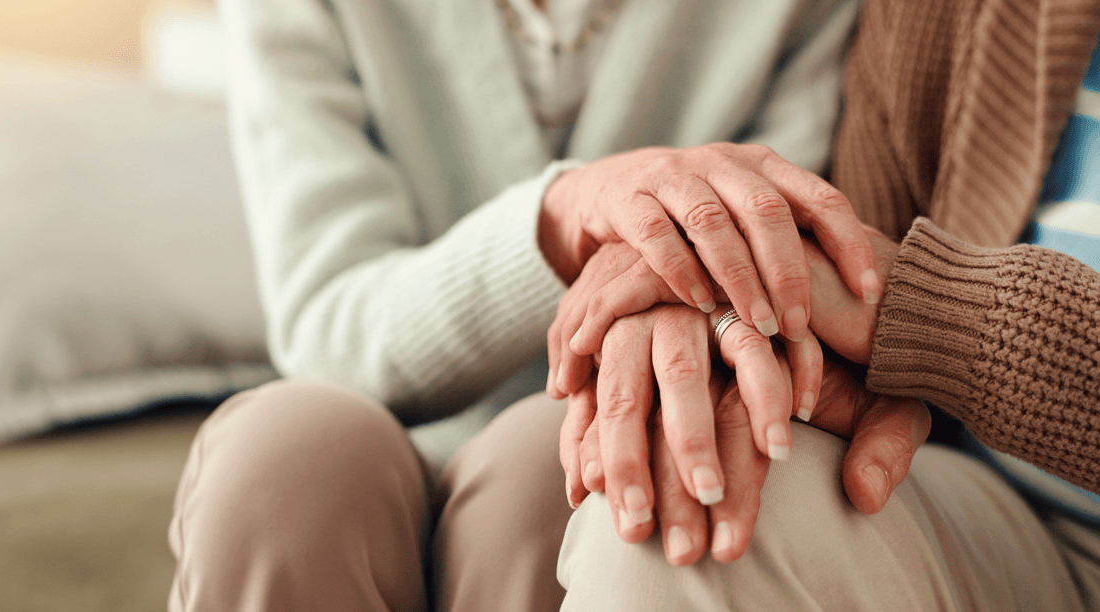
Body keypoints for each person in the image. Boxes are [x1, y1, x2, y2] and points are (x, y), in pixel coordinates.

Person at [166, 0, 906, 610]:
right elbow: (328, 322)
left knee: (553, 476)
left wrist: (666, 278)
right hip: (384, 423)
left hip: (642, 402)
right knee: (284, 462)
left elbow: (783, 249)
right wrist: (566, 216)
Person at [548, 0, 1100, 608]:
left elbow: (888, 299)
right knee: (635, 481)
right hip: (1007, 512)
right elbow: (840, 269)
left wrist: (936, 311)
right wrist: (697, 282)